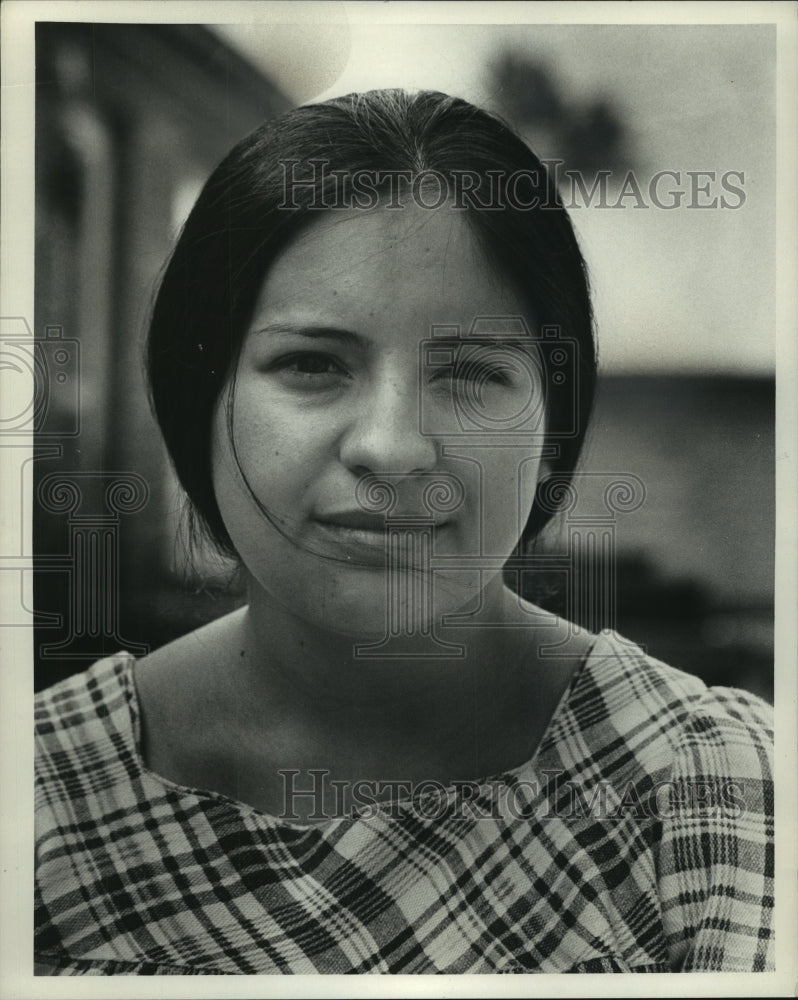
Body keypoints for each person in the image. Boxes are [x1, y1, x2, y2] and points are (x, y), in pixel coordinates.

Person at [34, 89, 774, 975]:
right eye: (312, 364)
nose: (389, 447)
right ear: (201, 407)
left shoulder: (716, 796)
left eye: (467, 370)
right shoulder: (41, 797)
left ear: (552, 432)